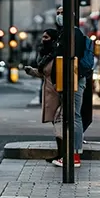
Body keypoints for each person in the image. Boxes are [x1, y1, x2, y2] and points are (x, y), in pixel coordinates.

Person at [51, 5, 93, 168]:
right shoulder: (66, 33)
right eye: (58, 13)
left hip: (73, 80)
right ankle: (71, 155)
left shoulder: (73, 34)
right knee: (70, 116)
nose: (59, 16)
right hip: (67, 80)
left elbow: (69, 58)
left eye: (62, 13)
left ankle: (74, 155)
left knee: (74, 116)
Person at [24, 28, 63, 161]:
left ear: (53, 39)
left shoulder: (57, 55)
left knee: (59, 123)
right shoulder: (47, 55)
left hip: (57, 93)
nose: (43, 40)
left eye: (46, 37)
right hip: (49, 93)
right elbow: (44, 73)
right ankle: (60, 153)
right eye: (43, 37)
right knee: (56, 123)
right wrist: (31, 71)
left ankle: (63, 155)